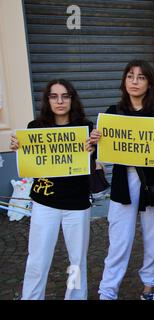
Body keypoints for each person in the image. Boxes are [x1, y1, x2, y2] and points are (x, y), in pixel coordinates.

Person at [90, 60, 154, 301]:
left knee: (153, 238)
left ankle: (149, 287)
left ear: (150, 83)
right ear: (124, 81)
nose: (135, 82)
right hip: (122, 183)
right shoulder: (113, 112)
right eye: (130, 76)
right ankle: (108, 291)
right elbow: (102, 155)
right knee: (118, 240)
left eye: (141, 77)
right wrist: (96, 142)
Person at [10, 79, 93, 300]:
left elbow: (93, 164)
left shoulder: (85, 127)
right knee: (37, 259)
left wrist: (92, 150)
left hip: (77, 205)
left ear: (72, 99)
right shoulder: (35, 128)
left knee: (77, 262)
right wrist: (19, 148)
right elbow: (28, 165)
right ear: (47, 100)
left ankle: (75, 297)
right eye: (54, 96)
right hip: (44, 203)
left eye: (65, 96)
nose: (60, 101)